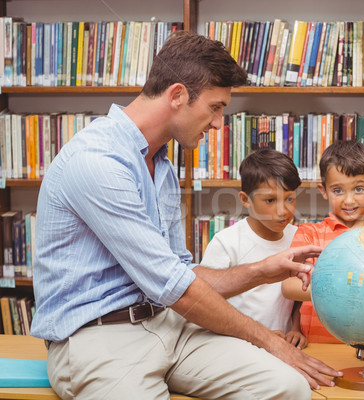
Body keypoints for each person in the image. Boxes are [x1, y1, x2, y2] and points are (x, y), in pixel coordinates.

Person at [30, 31, 340, 400]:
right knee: (280, 363)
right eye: (215, 107)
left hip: (168, 324)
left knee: (287, 387)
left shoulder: (161, 165)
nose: (218, 124)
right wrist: (269, 342)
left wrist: (266, 269)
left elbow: (181, 273)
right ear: (177, 95)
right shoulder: (98, 162)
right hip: (98, 338)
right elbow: (174, 287)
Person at [200, 149, 307, 349]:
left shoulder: (298, 237)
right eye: (270, 200)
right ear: (245, 199)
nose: (283, 211)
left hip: (285, 347)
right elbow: (206, 303)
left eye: (290, 199)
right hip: (237, 346)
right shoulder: (226, 243)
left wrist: (296, 327)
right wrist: (258, 334)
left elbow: (301, 295)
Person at [282, 140, 364, 342]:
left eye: (359, 189)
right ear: (323, 190)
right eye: (338, 191)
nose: (349, 200)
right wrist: (294, 328)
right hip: (318, 344)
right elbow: (290, 287)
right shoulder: (309, 234)